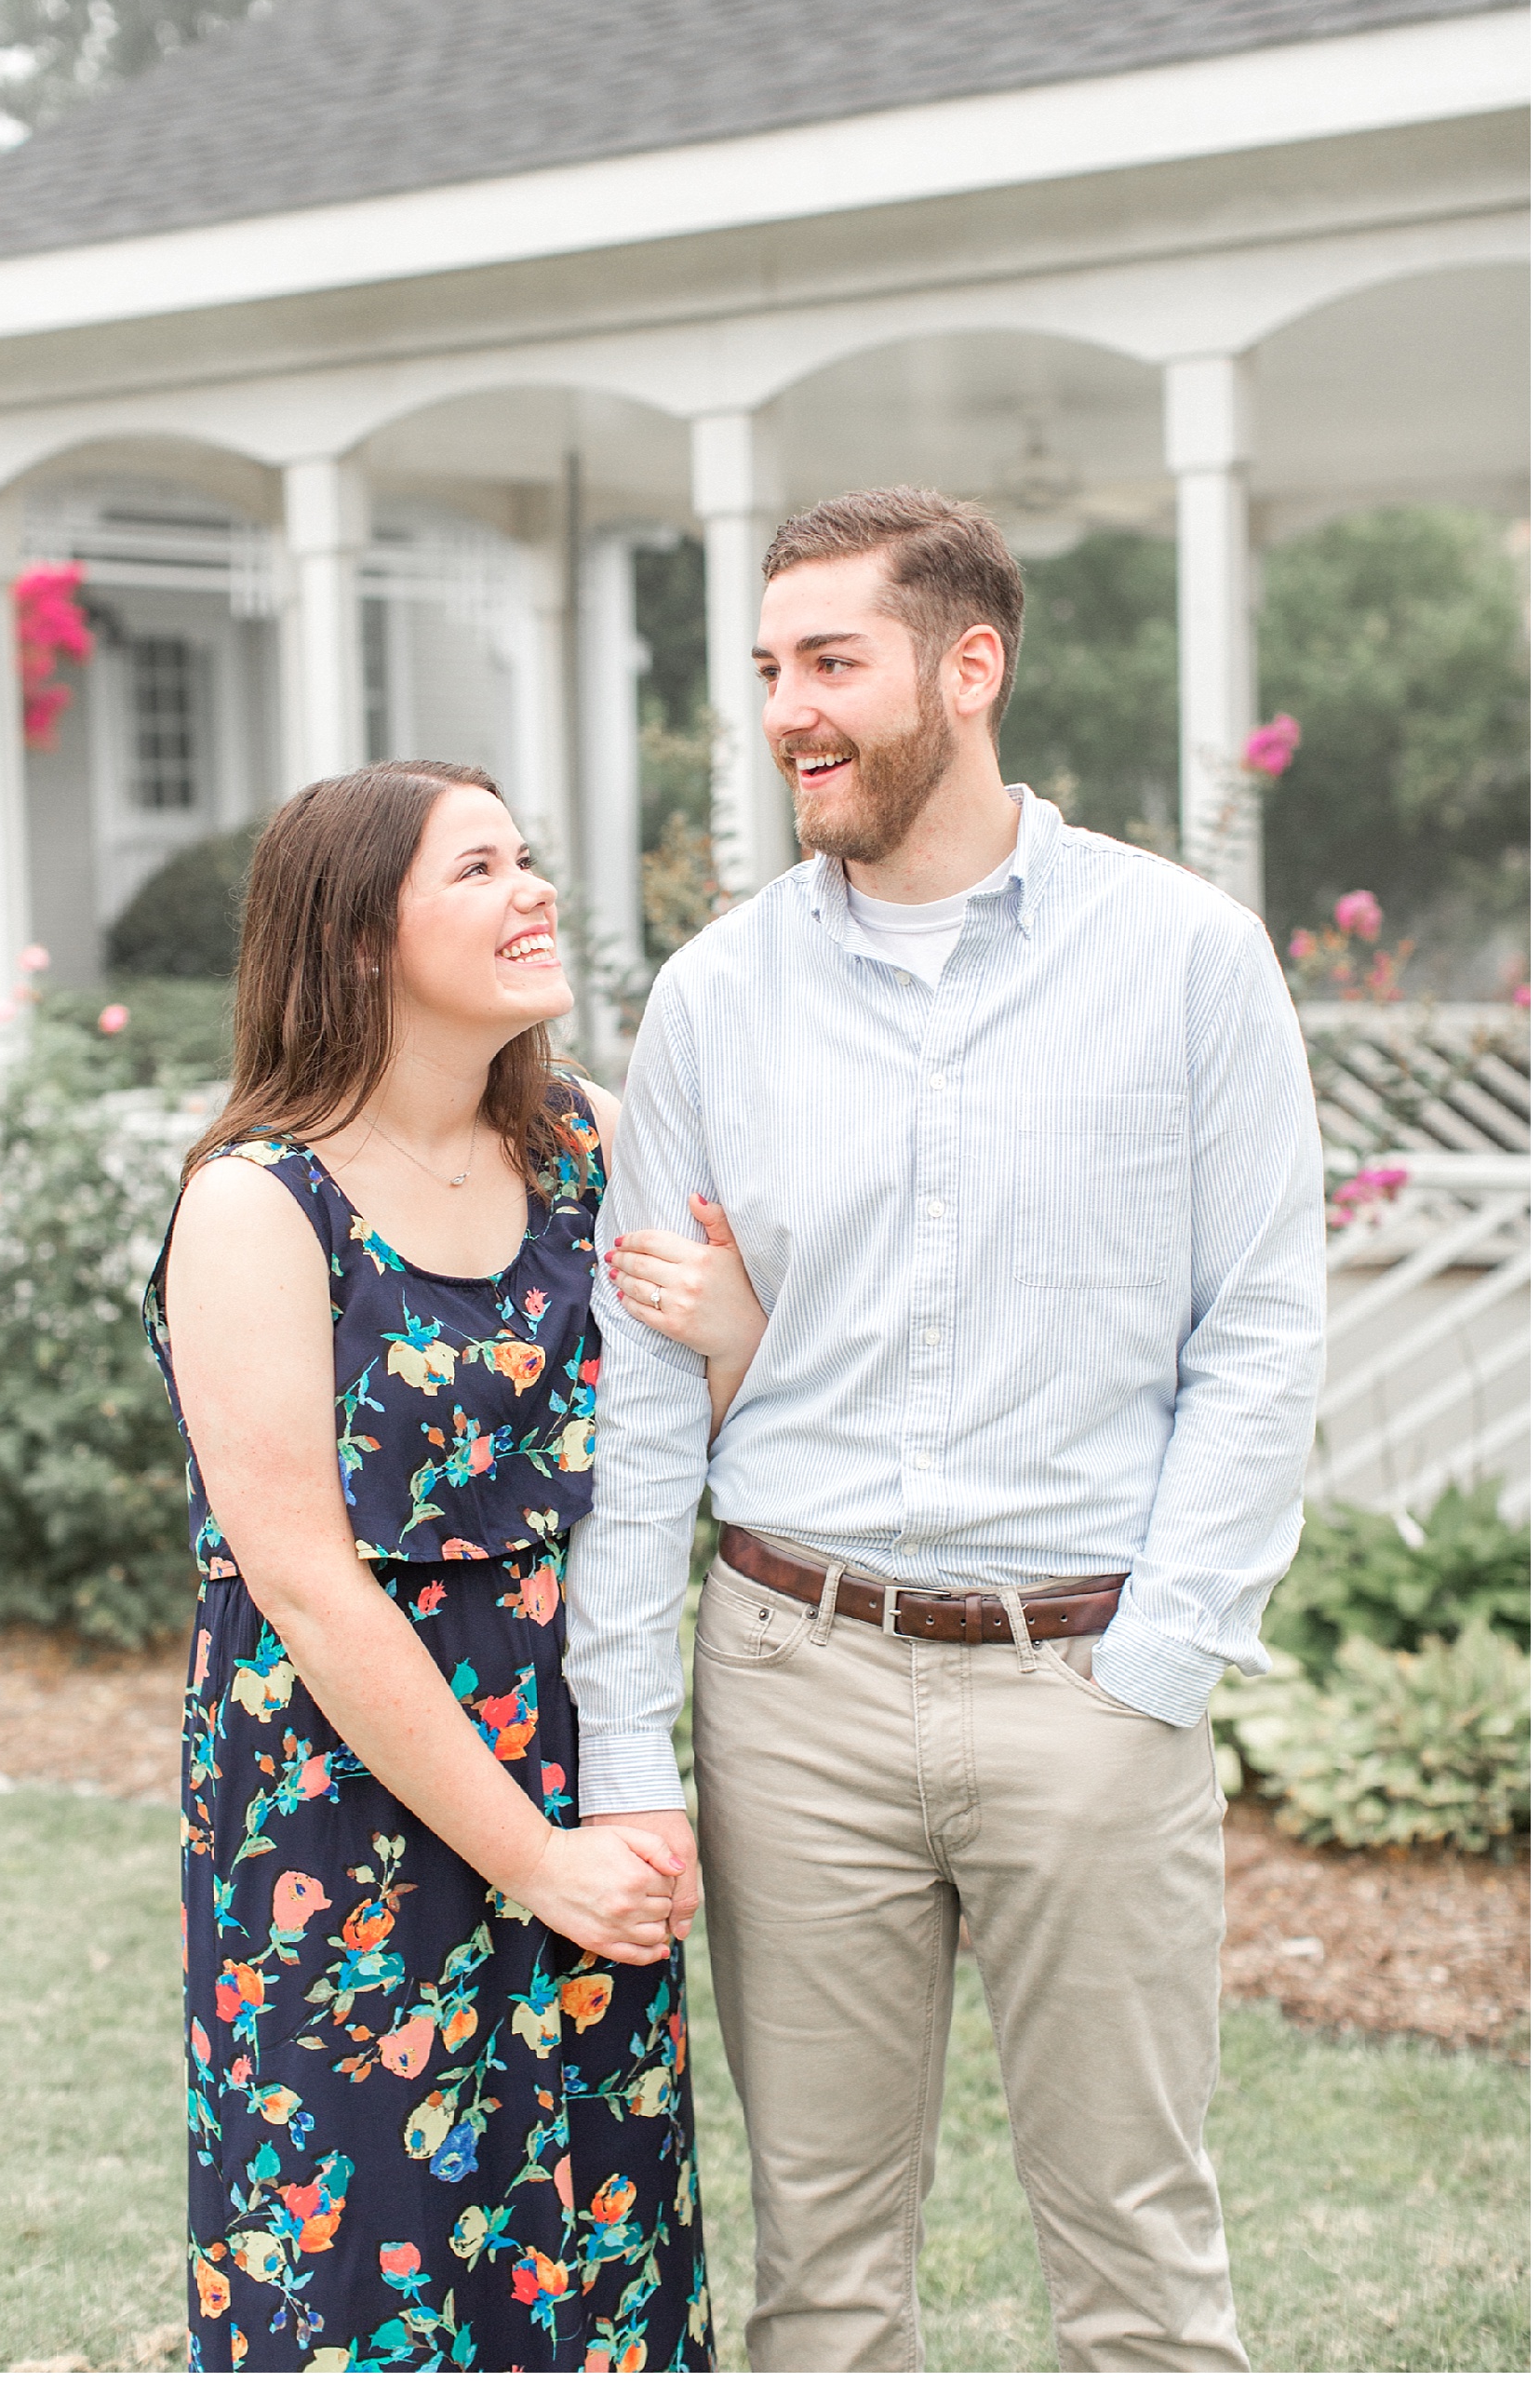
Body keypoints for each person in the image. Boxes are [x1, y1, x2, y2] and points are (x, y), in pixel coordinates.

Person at [566, 488, 1327, 2373]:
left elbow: (1265, 1325)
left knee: (1143, 2267)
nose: (786, 711)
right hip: (791, 1688)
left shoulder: (1186, 959)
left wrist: (1156, 1661)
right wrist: (626, 1743)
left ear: (969, 667)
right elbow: (647, 1402)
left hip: (1089, 1685)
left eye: (831, 662)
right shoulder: (716, 1001)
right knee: (820, 2274)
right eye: (766, 669)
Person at [145, 759, 761, 2374]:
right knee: (359, 2261)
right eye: (478, 868)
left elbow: (699, 1425)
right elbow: (307, 1586)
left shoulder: (585, 1144)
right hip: (346, 1799)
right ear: (358, 941)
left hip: (578, 1752)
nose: (532, 890)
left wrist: (731, 1327)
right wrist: (530, 1859)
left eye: (528, 856)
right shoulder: (257, 1206)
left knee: (585, 2229)